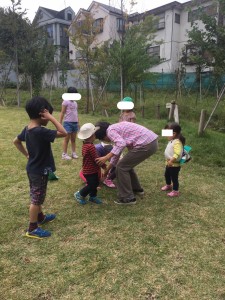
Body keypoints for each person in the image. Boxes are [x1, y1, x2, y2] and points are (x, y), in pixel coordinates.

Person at [13, 96, 67, 239]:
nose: (49, 118)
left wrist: (27, 155)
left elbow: (16, 141)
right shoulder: (40, 131)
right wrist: (52, 118)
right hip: (39, 171)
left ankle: (41, 217)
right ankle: (32, 228)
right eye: (48, 114)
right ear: (42, 113)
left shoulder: (28, 129)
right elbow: (64, 132)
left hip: (32, 169)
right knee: (36, 199)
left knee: (37, 194)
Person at [95, 121, 158, 205]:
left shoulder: (110, 131)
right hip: (151, 142)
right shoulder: (115, 128)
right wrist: (107, 170)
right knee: (125, 165)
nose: (106, 141)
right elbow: (117, 153)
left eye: (103, 139)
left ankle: (127, 198)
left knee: (121, 167)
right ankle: (137, 189)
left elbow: (121, 144)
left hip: (145, 144)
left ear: (104, 135)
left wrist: (106, 157)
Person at [74, 123, 106, 205]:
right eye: (94, 134)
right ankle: (79, 194)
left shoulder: (85, 144)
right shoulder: (90, 146)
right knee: (91, 185)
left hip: (91, 169)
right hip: (90, 171)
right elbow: (96, 159)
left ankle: (93, 196)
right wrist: (104, 166)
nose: (95, 135)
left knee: (95, 183)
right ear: (91, 136)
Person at [161, 122, 185, 197]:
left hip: (174, 165)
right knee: (167, 175)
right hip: (169, 164)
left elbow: (177, 153)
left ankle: (175, 191)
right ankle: (168, 185)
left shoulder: (177, 142)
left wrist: (171, 160)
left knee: (174, 178)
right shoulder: (172, 140)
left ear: (174, 134)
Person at [59, 86, 79, 160]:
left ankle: (73, 153)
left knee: (73, 139)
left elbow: (76, 113)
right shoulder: (65, 101)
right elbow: (62, 112)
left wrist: (78, 122)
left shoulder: (75, 103)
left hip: (75, 123)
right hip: (68, 123)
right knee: (66, 139)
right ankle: (64, 154)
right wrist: (60, 123)